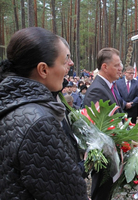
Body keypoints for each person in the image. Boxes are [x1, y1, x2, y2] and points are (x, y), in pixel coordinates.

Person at [0, 27, 88, 199]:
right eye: (64, 61)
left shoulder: (10, 102)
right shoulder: (39, 123)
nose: (69, 66)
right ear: (43, 70)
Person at [83, 47, 123, 200]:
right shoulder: (97, 90)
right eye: (117, 65)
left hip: (111, 152)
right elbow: (99, 131)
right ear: (105, 67)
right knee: (101, 193)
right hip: (104, 156)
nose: (121, 69)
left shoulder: (109, 86)